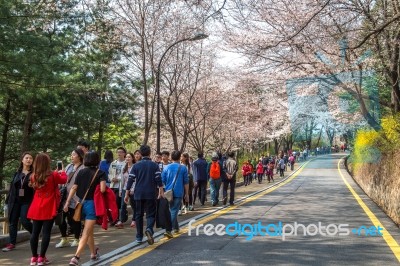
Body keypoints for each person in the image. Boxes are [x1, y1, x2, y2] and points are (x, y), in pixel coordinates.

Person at [65, 151, 107, 266]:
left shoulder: (81, 172)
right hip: (92, 205)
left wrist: (67, 202)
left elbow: (74, 188)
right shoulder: (100, 173)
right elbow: (103, 189)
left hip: (80, 204)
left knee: (89, 232)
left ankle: (93, 253)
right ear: (97, 160)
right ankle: (76, 257)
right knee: (86, 232)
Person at [27, 153, 67, 266]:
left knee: (35, 232)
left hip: (36, 205)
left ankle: (34, 257)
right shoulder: (53, 175)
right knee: (46, 232)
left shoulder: (33, 175)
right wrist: (62, 171)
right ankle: (42, 257)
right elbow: (64, 180)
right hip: (49, 206)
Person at [124, 145, 164, 245]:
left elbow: (130, 180)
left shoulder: (136, 166)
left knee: (138, 214)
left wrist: (127, 193)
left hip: (138, 193)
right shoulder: (154, 165)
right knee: (151, 213)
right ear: (150, 153)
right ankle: (149, 229)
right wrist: (161, 191)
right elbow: (158, 179)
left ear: (140, 154)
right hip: (151, 193)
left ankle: (139, 236)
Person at [2, 152, 34, 252]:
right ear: (22, 160)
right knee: (12, 222)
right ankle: (12, 243)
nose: (29, 160)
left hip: (26, 200)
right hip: (15, 200)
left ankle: (35, 233)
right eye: (26, 158)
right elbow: (12, 188)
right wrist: (7, 202)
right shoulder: (17, 173)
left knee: (25, 221)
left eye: (30, 158)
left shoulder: (33, 173)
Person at [55, 149, 85, 248]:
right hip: (64, 196)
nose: (72, 157)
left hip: (76, 197)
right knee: (60, 217)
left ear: (79, 156)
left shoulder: (83, 168)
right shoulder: (68, 166)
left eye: (74, 155)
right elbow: (63, 179)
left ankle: (76, 238)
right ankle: (64, 238)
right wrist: (61, 173)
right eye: (71, 155)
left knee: (74, 218)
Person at [162, 150, 189, 237]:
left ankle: (176, 228)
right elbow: (186, 182)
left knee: (172, 210)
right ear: (179, 157)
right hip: (178, 192)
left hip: (168, 192)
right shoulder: (183, 168)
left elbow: (163, 180)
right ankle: (168, 230)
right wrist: (187, 194)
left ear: (171, 157)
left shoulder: (166, 167)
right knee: (174, 211)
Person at [109, 147, 127, 227]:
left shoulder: (126, 163)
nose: (119, 154)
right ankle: (114, 219)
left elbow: (126, 174)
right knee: (113, 203)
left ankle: (119, 219)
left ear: (124, 153)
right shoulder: (113, 163)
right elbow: (109, 173)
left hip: (121, 186)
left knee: (119, 203)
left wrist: (118, 179)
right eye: (118, 152)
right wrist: (111, 178)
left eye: (121, 152)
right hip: (113, 185)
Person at [119, 152, 135, 229]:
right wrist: (120, 190)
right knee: (123, 205)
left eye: (129, 157)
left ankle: (134, 220)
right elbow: (122, 180)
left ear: (132, 158)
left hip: (133, 189)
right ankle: (121, 221)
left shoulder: (135, 167)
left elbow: (136, 180)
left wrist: (133, 189)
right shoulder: (123, 168)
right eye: (126, 157)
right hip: (125, 188)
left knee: (133, 205)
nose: (127, 159)